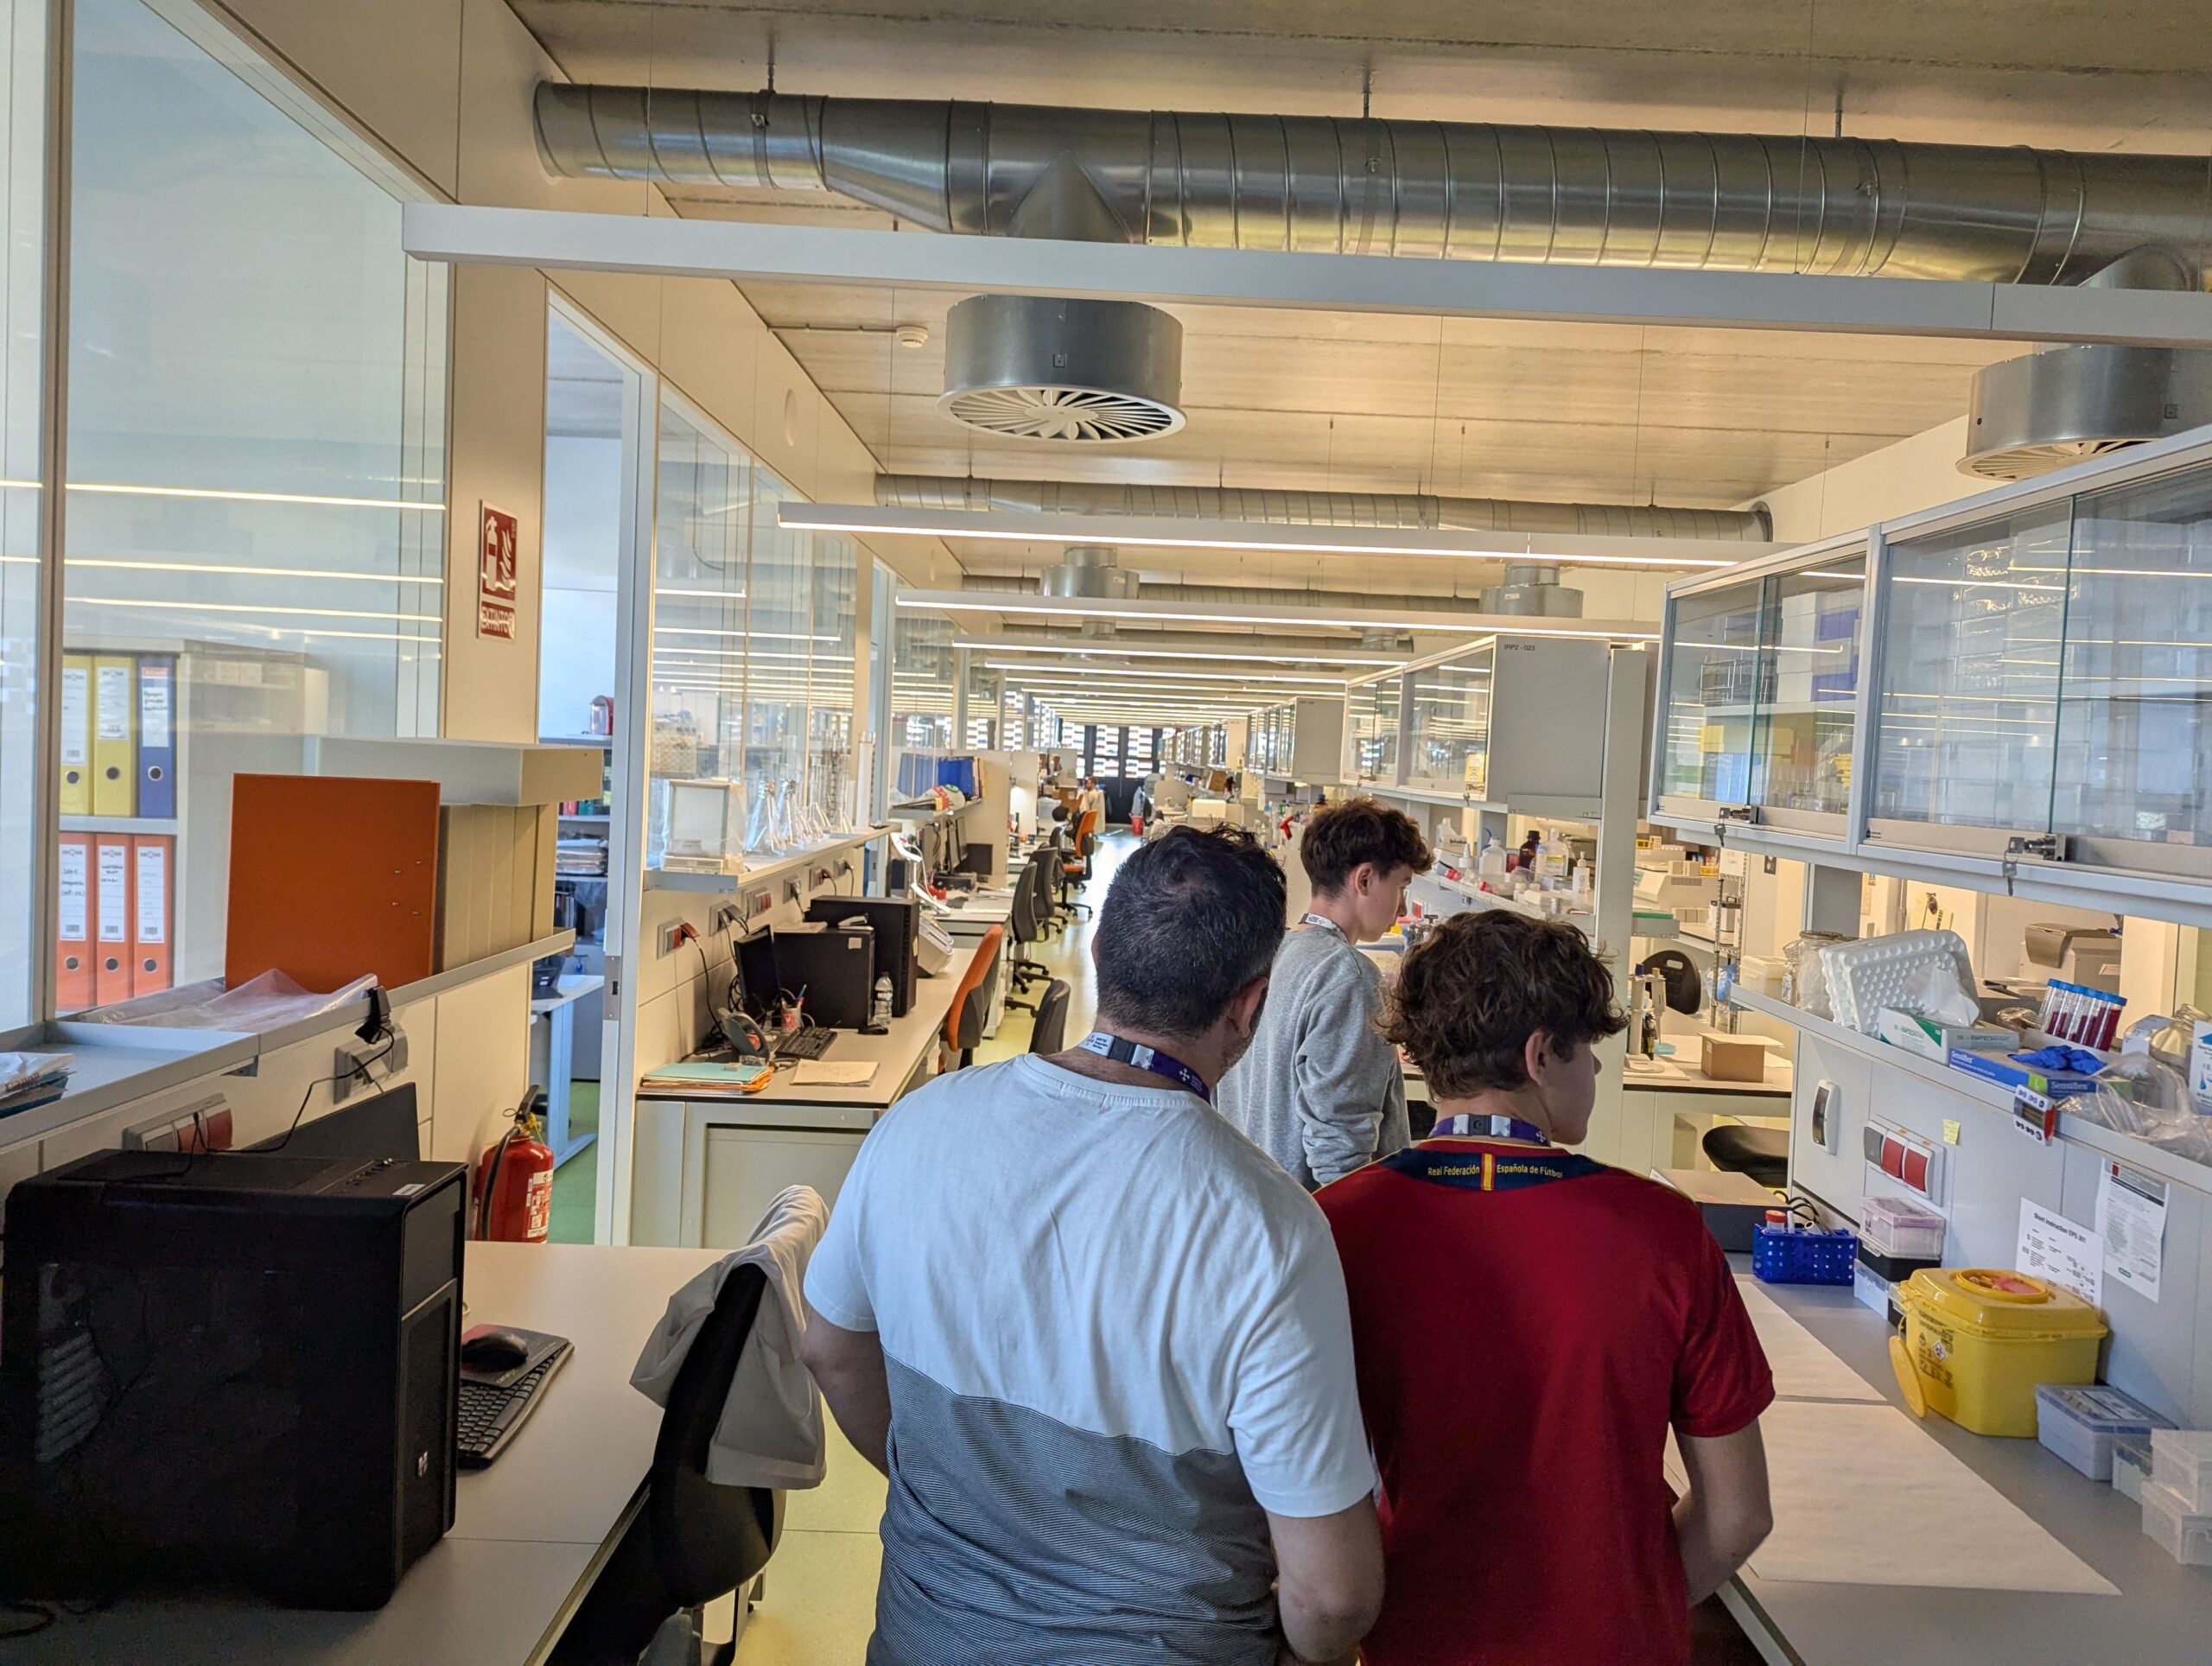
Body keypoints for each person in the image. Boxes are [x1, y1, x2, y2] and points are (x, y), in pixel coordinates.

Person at [799, 826, 1384, 1666]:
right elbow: (1333, 1597)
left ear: (1103, 951)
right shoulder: (1271, 1229)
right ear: (1251, 1006)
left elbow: (829, 1348)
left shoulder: (918, 1123)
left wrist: (968, 1511)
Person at [1318, 911, 1775, 1665]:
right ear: (1539, 1055)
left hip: (1419, 1637)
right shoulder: (1662, 1232)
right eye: (1587, 1048)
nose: (1594, 1070)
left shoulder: (1335, 1226)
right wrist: (1633, 1605)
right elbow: (1738, 1517)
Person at [1217, 796, 1432, 1190]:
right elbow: (1341, 1157)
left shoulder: (1270, 953)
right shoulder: (1348, 976)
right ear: (1364, 879)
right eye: (1401, 887)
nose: (1402, 908)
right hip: (1314, 1215)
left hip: (1253, 1198)